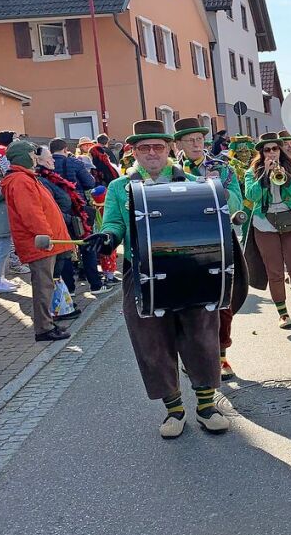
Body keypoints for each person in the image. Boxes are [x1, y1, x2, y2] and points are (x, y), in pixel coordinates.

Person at [85, 120, 230, 438]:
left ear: (169, 149)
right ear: (133, 151)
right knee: (151, 342)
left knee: (201, 336)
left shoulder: (193, 182)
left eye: (158, 147)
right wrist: (109, 238)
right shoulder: (118, 188)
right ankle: (174, 411)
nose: (151, 153)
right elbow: (113, 222)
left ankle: (206, 407)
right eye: (143, 147)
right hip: (141, 273)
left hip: (190, 269)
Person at [174, 117, 244, 380]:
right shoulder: (169, 170)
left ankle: (222, 357)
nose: (195, 144)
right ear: (178, 143)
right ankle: (191, 356)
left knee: (222, 301)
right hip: (181, 246)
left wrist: (221, 192)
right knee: (185, 303)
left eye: (199, 139)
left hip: (218, 241)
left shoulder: (223, 167)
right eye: (189, 140)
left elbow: (238, 200)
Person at [1, 141, 75, 342]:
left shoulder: (25, 178)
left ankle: (47, 323)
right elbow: (31, 214)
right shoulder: (20, 181)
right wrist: (47, 237)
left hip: (44, 241)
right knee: (43, 286)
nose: (35, 160)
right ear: (23, 157)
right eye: (32, 157)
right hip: (41, 243)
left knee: (46, 285)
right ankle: (43, 328)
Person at [244, 133, 291, 329]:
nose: (272, 153)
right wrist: (264, 176)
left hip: (290, 219)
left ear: (280, 150)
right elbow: (251, 195)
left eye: (275, 149)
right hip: (264, 223)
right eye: (267, 150)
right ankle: (282, 312)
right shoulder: (252, 172)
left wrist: (286, 178)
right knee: (275, 271)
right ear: (261, 154)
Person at [32, 147, 101, 302]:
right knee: (67, 254)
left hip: (70, 218)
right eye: (49, 157)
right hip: (64, 221)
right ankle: (74, 288)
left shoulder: (51, 176)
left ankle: (74, 287)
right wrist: (69, 218)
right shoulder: (42, 180)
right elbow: (49, 206)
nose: (53, 160)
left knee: (72, 252)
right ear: (39, 160)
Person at [0, 144, 20, 294]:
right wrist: (6, 186)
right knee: (1, 249)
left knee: (3, 248)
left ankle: (0, 278)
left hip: (2, 217)